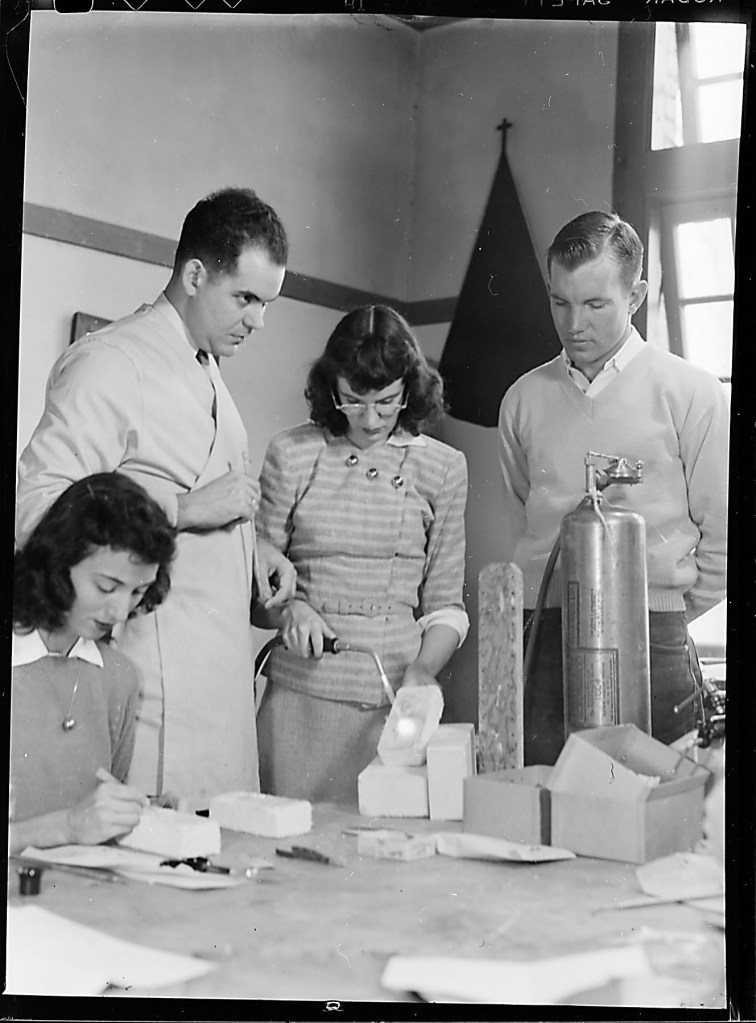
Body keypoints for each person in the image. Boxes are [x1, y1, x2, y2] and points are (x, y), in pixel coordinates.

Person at [15, 187, 296, 809]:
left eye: (266, 303)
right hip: (153, 690)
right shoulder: (111, 362)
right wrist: (183, 510)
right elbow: (38, 507)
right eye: (245, 298)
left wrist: (253, 552)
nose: (257, 321)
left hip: (219, 686)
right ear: (195, 275)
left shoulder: (203, 366)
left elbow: (211, 500)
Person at [498, 211, 729, 765]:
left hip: (655, 636)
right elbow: (526, 509)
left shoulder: (691, 392)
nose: (574, 324)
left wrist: (662, 610)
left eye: (595, 304)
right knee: (547, 793)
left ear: (636, 296)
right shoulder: (522, 399)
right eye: (560, 302)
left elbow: (726, 535)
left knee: (656, 798)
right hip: (544, 635)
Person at [253, 304, 469, 802]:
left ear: (409, 389)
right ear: (331, 386)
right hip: (300, 701)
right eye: (352, 401)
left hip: (392, 703)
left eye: (387, 402)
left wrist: (422, 671)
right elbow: (256, 591)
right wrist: (290, 609)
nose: (370, 419)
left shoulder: (442, 468)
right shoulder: (292, 454)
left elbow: (445, 605)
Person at [10, 473, 176, 854]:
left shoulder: (119, 678)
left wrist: (140, 814)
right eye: (107, 586)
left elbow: (93, 813)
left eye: (138, 592)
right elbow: (71, 823)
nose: (120, 611)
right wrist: (65, 827)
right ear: (58, 562)